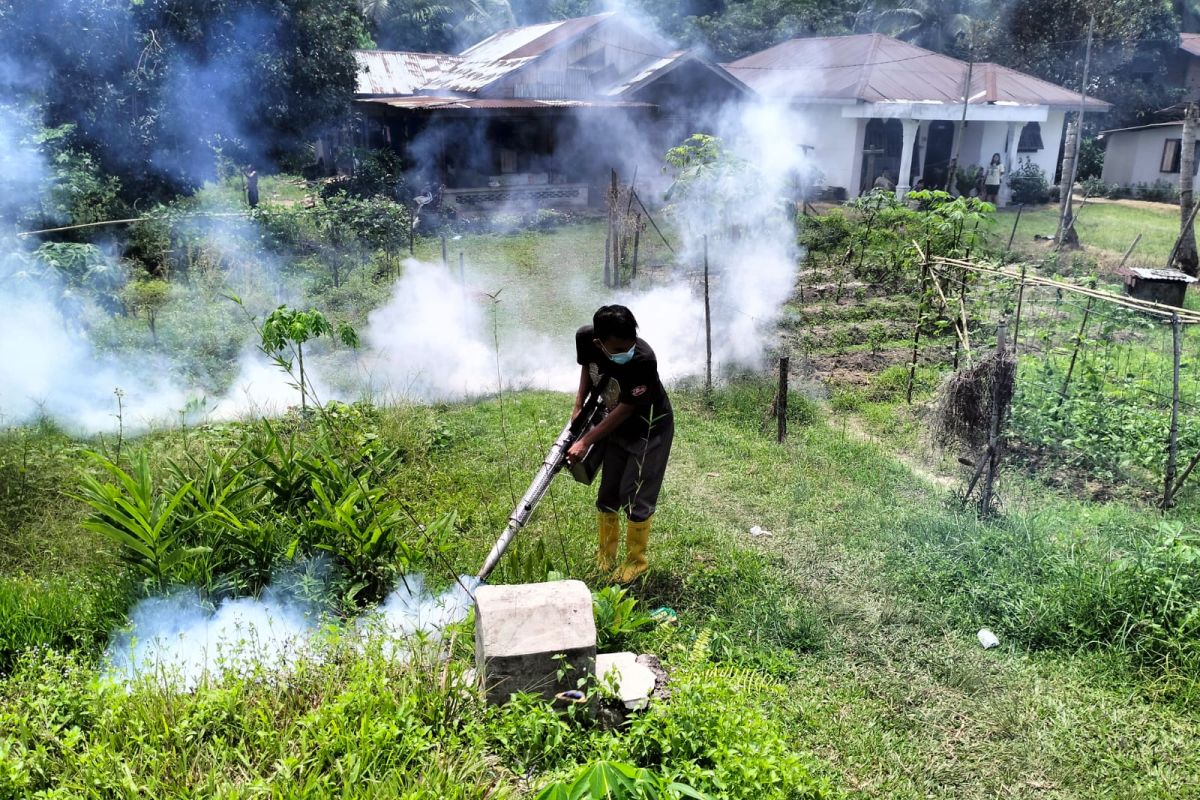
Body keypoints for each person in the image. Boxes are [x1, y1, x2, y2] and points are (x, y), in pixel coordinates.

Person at [566, 305, 673, 583]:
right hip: (614, 425)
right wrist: (578, 405)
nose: (626, 351)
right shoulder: (587, 339)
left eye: (630, 344)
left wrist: (586, 441)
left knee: (637, 493)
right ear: (599, 342)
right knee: (609, 492)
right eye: (617, 348)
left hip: (649, 427)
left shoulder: (643, 359)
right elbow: (588, 368)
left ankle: (636, 563)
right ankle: (605, 559)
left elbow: (626, 408)